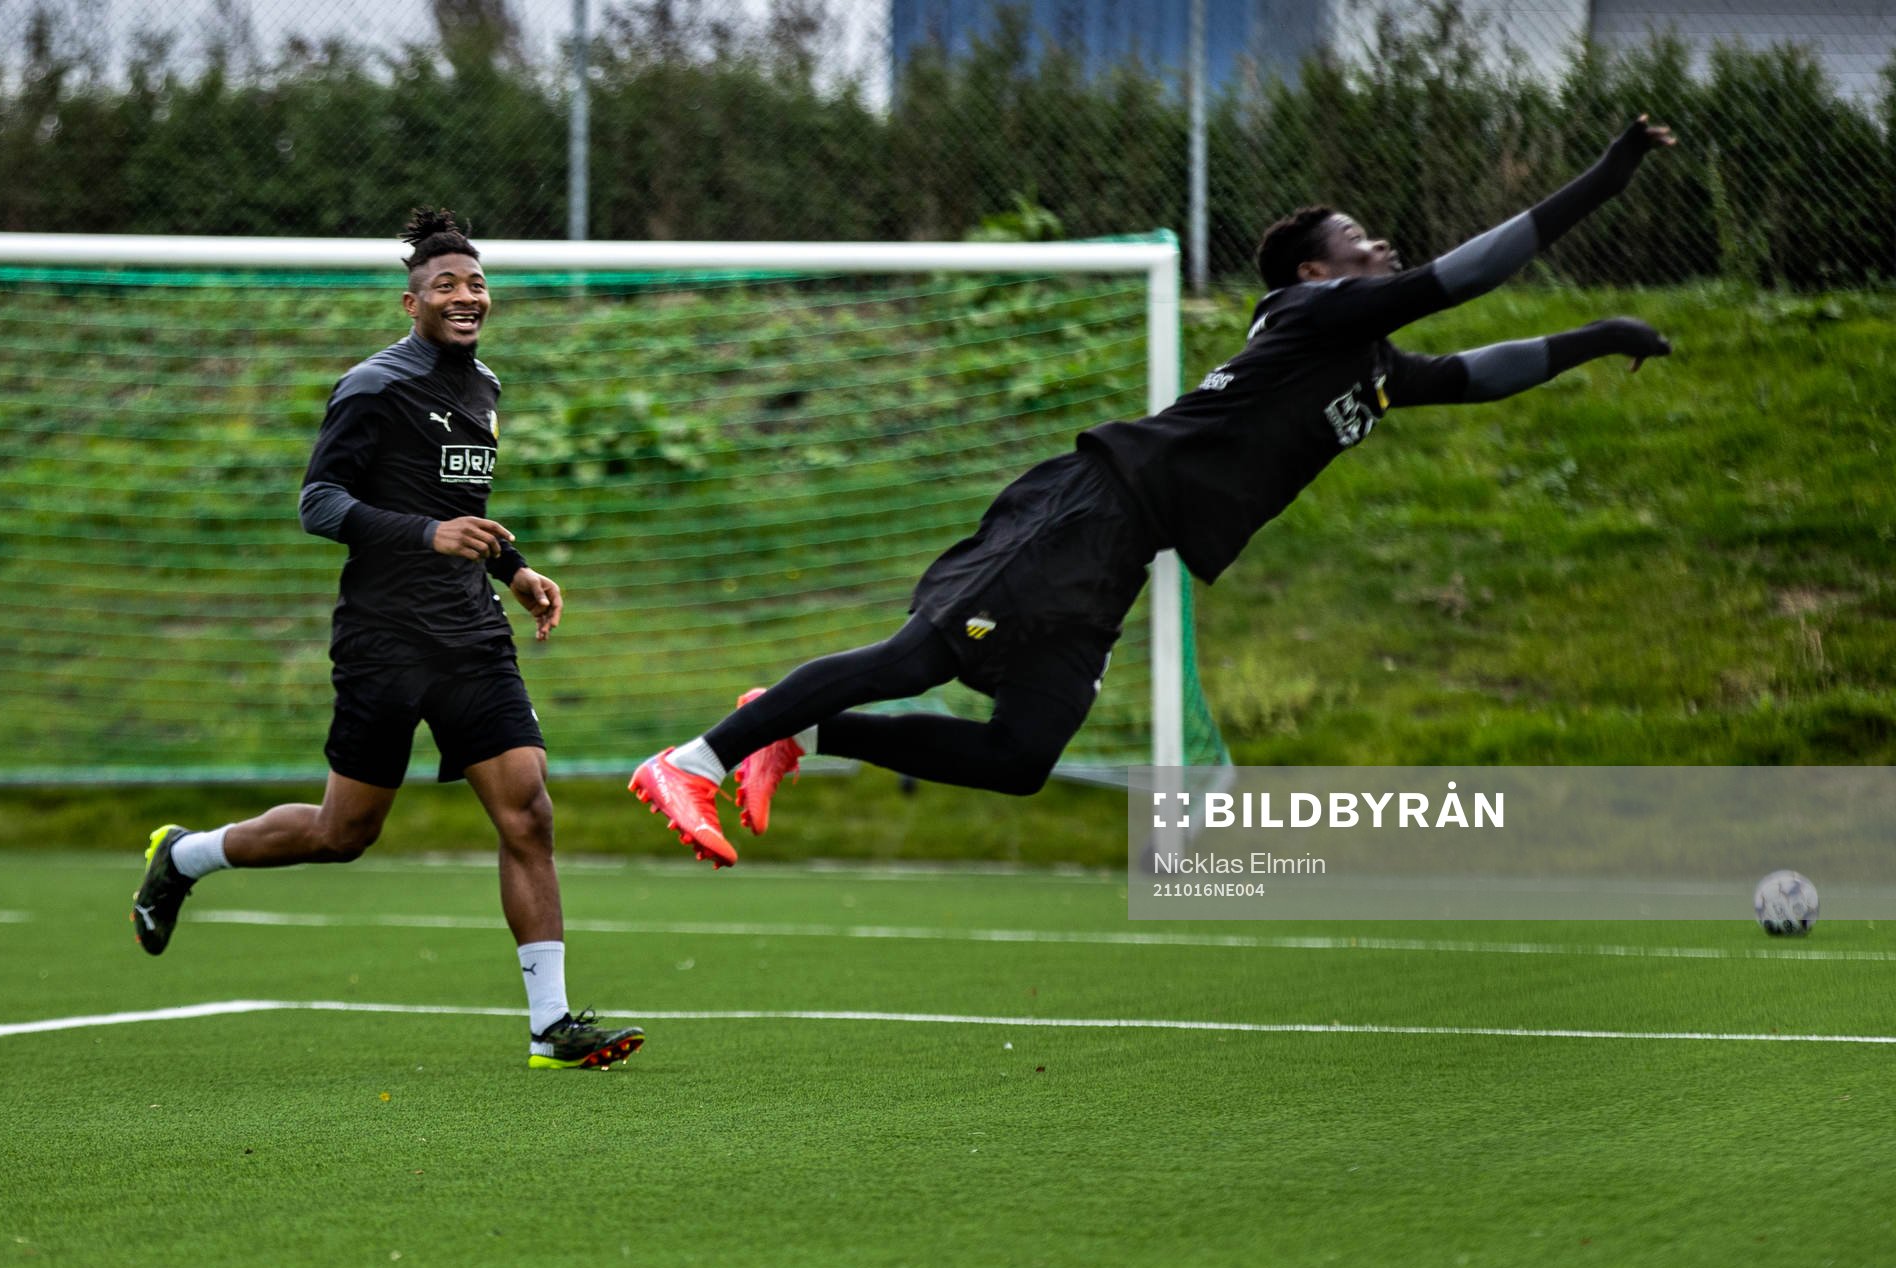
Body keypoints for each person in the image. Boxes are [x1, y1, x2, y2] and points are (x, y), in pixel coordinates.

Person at [631, 116, 1679, 869]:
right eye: (1361, 243)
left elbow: (1476, 370)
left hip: (1123, 553)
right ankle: (689, 761)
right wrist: (1611, 171)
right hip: (1087, 506)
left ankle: (795, 729)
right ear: (1317, 275)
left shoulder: (1368, 368)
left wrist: (1602, 337)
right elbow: (1469, 276)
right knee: (915, 658)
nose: (1382, 252)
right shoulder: (1312, 320)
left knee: (1019, 754)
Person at [130, 208, 643, 1071]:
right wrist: (425, 537)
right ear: (411, 303)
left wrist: (513, 569)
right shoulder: (373, 385)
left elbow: (463, 516)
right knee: (344, 832)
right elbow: (318, 503)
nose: (466, 294)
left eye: (476, 282)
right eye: (446, 284)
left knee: (528, 807)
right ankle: (184, 855)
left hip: (470, 636)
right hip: (382, 640)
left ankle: (550, 1026)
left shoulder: (485, 387)